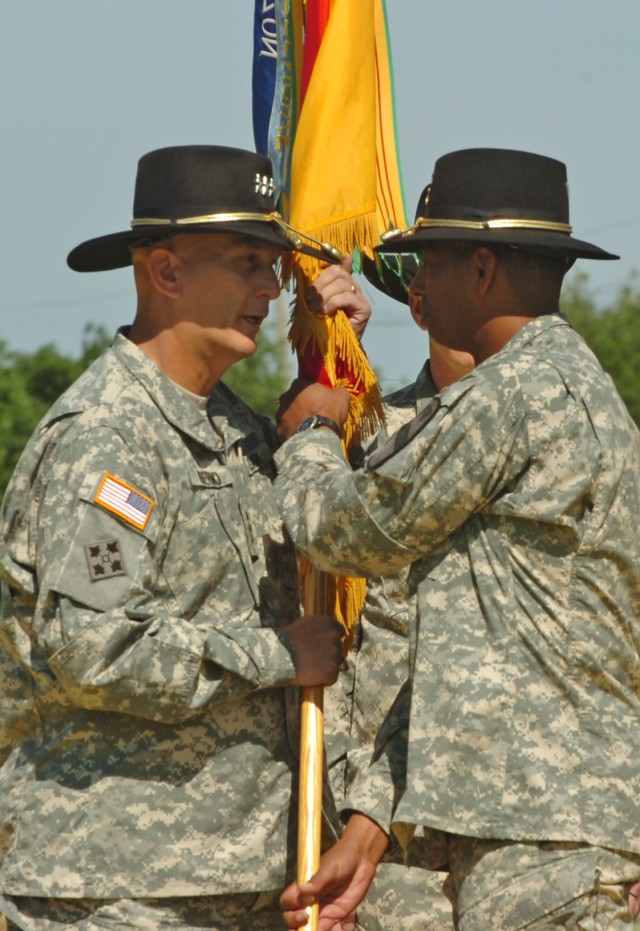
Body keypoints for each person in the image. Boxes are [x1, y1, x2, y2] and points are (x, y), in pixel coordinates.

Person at [0, 144, 370, 931]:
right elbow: (90, 644)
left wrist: (341, 358)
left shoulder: (237, 428)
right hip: (116, 888)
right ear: (165, 272)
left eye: (274, 266)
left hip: (241, 884)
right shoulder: (106, 435)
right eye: (246, 262)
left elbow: (340, 529)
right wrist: (276, 653)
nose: (270, 289)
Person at [274, 148, 640, 929]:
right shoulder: (567, 383)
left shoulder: (511, 393)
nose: (416, 285)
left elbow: (353, 530)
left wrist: (309, 427)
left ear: (480, 267)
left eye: (427, 261)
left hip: (545, 838)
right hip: (544, 830)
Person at [323, 253, 473, 931]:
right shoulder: (366, 440)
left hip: (532, 849)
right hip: (381, 867)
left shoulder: (582, 449)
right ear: (417, 301)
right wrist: (333, 351)